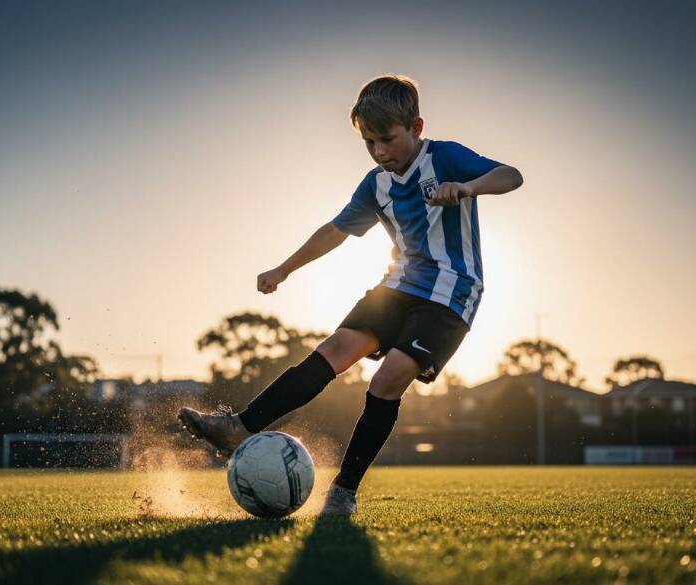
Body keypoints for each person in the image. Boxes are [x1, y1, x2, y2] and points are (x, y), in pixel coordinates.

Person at [178, 75, 523, 515]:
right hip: (397, 285)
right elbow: (336, 231)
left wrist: (469, 187)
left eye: (387, 139)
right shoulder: (374, 184)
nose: (379, 151)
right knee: (337, 348)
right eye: (369, 143)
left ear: (416, 127)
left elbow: (511, 175)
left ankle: (344, 490)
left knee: (388, 378)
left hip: (451, 293)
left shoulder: (446, 157)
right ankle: (238, 427)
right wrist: (284, 268)